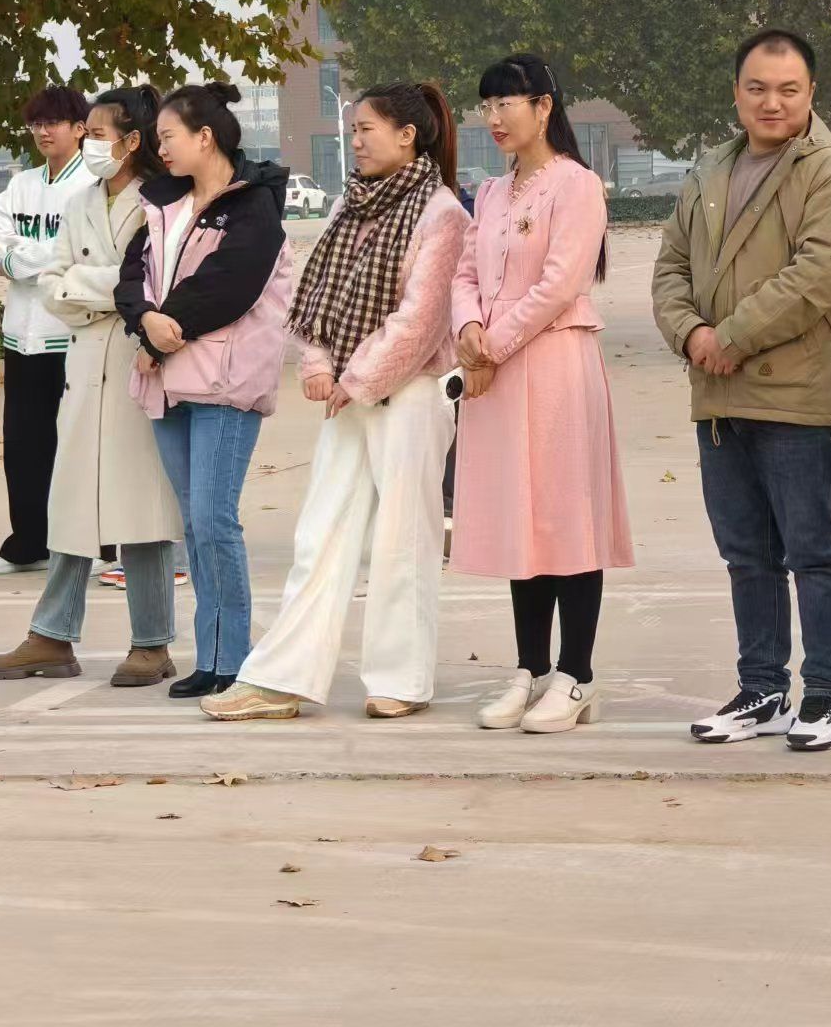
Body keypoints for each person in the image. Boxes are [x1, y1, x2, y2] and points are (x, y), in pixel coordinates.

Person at [203, 82, 469, 721]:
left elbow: (421, 320)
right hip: (349, 394)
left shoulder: (442, 214)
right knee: (320, 532)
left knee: (403, 540)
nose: (357, 141)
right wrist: (320, 364)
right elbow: (318, 292)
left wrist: (355, 379)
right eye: (353, 130)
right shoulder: (350, 204)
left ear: (407, 135)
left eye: (367, 129)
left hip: (410, 393)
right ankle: (282, 678)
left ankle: (401, 679)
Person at [652, 28, 831, 752]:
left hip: (798, 398)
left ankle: (829, 696)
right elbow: (670, 267)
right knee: (747, 555)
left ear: (811, 94)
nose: (771, 102)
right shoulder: (709, 170)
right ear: (737, 93)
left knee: (813, 552)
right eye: (757, 88)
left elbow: (818, 277)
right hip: (719, 397)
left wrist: (730, 337)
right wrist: (691, 333)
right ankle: (763, 689)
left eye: (787, 89)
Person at [452, 53, 634, 734]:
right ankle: (528, 669)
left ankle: (576, 674)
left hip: (554, 364)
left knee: (565, 517)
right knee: (519, 516)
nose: (495, 117)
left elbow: (560, 284)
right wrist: (466, 326)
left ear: (544, 107)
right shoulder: (491, 193)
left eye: (507, 103)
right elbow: (464, 273)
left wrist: (490, 345)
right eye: (487, 105)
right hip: (497, 373)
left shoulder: (577, 185)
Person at [0, 88, 185, 685]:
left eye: (98, 134)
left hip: (140, 363)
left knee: (142, 507)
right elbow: (54, 285)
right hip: (85, 364)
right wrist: (109, 290)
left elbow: (153, 284)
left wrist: (93, 287)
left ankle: (152, 643)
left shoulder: (161, 204)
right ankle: (51, 635)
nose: (90, 144)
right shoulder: (80, 201)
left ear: (131, 141)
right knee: (70, 502)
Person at [115, 82, 292, 698]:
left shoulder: (252, 205)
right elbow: (132, 275)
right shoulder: (164, 203)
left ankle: (232, 659)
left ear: (205, 137)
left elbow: (230, 283)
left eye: (168, 137)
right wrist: (144, 319)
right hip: (169, 384)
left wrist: (165, 330)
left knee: (215, 521)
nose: (160, 149)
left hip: (224, 382)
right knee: (194, 524)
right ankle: (213, 655)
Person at [0, 85, 94, 576]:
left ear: (80, 128)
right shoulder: (20, 185)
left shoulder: (91, 185)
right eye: (36, 124)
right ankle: (29, 542)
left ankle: (90, 544)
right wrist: (38, 261)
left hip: (71, 334)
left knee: (78, 443)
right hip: (21, 336)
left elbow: (80, 252)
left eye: (53, 123)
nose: (43, 132)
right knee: (23, 443)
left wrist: (25, 260)